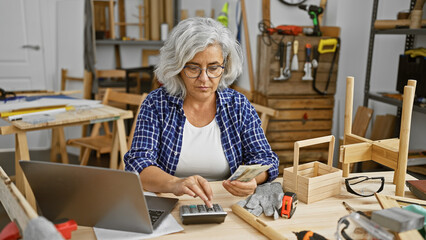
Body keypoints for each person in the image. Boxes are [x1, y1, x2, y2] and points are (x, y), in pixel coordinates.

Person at [124, 17, 279, 208]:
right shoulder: (156, 104)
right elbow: (138, 164)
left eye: (213, 68)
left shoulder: (238, 105)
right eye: (193, 68)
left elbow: (265, 159)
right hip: (169, 204)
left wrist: (253, 180)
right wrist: (176, 183)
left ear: (225, 66)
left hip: (226, 205)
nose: (204, 78)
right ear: (178, 67)